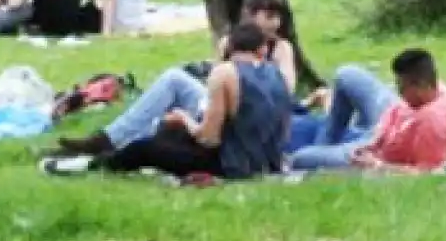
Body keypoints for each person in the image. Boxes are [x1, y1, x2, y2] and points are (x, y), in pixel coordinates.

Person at [52, 0, 296, 158]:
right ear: (250, 15)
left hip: (248, 111)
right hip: (218, 101)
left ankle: (113, 143)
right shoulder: (230, 43)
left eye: (277, 17)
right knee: (172, 81)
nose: (275, 24)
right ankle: (110, 140)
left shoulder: (281, 49)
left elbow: (286, 90)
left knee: (173, 93)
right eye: (269, 16)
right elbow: (215, 81)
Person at [50, 22, 290, 180]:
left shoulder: (225, 73)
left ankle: (90, 165)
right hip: (268, 161)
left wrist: (184, 119)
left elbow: (208, 138)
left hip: (232, 165)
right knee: (169, 135)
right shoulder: (277, 74)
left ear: (230, 46)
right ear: (261, 49)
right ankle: (103, 146)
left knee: (145, 148)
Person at [289, 49, 446, 172]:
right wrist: (379, 136)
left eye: (402, 87)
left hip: (381, 154)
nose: (399, 91)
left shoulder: (432, 123)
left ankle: (321, 155)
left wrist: (378, 165)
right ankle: (324, 145)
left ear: (420, 87)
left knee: (301, 158)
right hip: (383, 126)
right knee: (346, 75)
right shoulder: (432, 90)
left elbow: (427, 173)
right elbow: (397, 108)